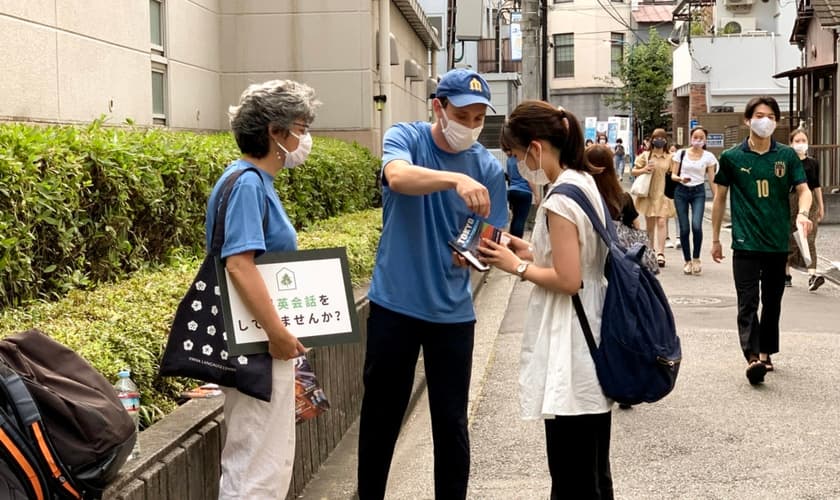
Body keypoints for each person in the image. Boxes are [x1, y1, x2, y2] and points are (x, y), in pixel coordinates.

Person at [358, 68, 508, 499]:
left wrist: (478, 254)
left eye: (480, 117)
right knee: (382, 417)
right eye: (464, 115)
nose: (472, 126)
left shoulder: (488, 168)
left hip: (452, 312)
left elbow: (489, 236)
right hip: (395, 305)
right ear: (438, 107)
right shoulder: (407, 138)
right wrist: (454, 178)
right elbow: (398, 177)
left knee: (450, 422)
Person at [479, 101, 613, 498]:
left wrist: (515, 267)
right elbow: (574, 257)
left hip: (572, 341)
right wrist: (524, 248)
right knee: (592, 468)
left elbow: (568, 278)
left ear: (535, 148)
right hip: (591, 330)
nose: (519, 163)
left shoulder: (558, 199)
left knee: (571, 473)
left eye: (518, 155)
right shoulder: (583, 182)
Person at [209, 80, 317, 499]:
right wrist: (277, 332)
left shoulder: (246, 180)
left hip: (254, 337)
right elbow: (239, 262)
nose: (304, 138)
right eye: (301, 127)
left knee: (259, 456)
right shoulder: (249, 183)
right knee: (257, 461)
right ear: (275, 132)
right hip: (257, 343)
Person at [711, 95, 812, 384]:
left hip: (777, 241)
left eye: (770, 116)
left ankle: (766, 352)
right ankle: (753, 357)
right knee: (747, 301)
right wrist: (716, 238)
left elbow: (803, 189)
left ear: (776, 121)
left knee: (773, 301)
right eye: (759, 115)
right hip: (744, 241)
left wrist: (803, 213)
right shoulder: (731, 157)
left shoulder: (786, 156)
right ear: (748, 120)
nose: (764, 120)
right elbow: (719, 199)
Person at [670, 127, 718, 275]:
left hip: (698, 191)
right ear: (690, 138)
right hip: (681, 191)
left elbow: (711, 179)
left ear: (705, 140)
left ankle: (696, 258)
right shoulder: (681, 153)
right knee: (684, 228)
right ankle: (687, 261)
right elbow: (673, 175)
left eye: (701, 138)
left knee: (697, 225)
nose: (698, 140)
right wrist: (680, 178)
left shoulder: (708, 157)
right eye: (695, 137)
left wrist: (717, 198)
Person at [785, 129, 825, 291]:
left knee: (809, 238)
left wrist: (821, 206)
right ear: (791, 143)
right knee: (790, 239)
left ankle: (812, 275)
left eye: (803, 140)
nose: (801, 144)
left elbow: (816, 186)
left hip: (811, 204)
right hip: (790, 200)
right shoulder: (787, 162)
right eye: (797, 141)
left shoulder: (812, 163)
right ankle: (786, 273)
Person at [631, 128, 675, 267]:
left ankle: (661, 253)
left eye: (662, 138)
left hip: (664, 194)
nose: (659, 140)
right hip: (649, 194)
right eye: (656, 138)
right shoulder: (645, 156)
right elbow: (633, 171)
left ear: (666, 140)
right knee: (650, 225)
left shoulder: (670, 157)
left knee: (662, 222)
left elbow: (673, 174)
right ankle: (650, 251)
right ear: (652, 140)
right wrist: (644, 170)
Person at [506, 151, 534, 238]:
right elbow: (529, 179)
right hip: (524, 192)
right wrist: (537, 195)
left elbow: (509, 176)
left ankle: (511, 241)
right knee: (520, 219)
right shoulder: (523, 159)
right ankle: (517, 243)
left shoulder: (509, 160)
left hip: (512, 191)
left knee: (515, 218)